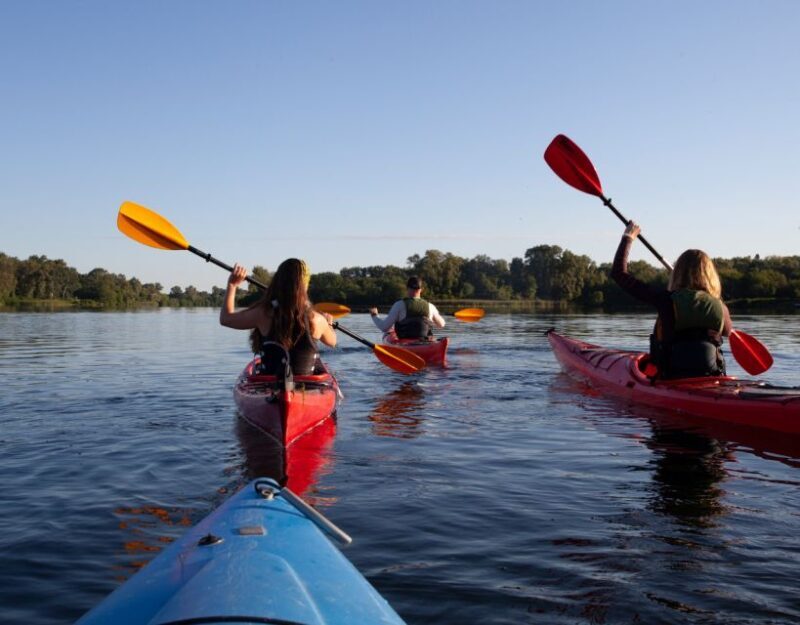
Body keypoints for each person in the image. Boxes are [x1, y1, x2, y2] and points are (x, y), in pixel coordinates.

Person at [611, 222, 732, 379]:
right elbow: (728, 332)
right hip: (713, 378)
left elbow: (619, 273)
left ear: (677, 273)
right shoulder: (721, 308)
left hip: (671, 379)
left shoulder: (665, 300)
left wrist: (628, 237)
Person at [220, 258, 336, 377]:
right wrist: (328, 324)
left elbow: (226, 319)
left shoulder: (263, 313)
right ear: (305, 286)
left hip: (268, 385)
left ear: (278, 281)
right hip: (307, 386)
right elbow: (332, 342)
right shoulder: (317, 320)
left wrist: (232, 285)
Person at [369, 276, 446, 340]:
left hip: (405, 344)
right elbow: (442, 324)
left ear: (407, 288)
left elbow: (384, 327)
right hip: (425, 343)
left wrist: (374, 315)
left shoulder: (399, 305)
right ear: (421, 290)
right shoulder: (430, 306)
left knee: (388, 331)